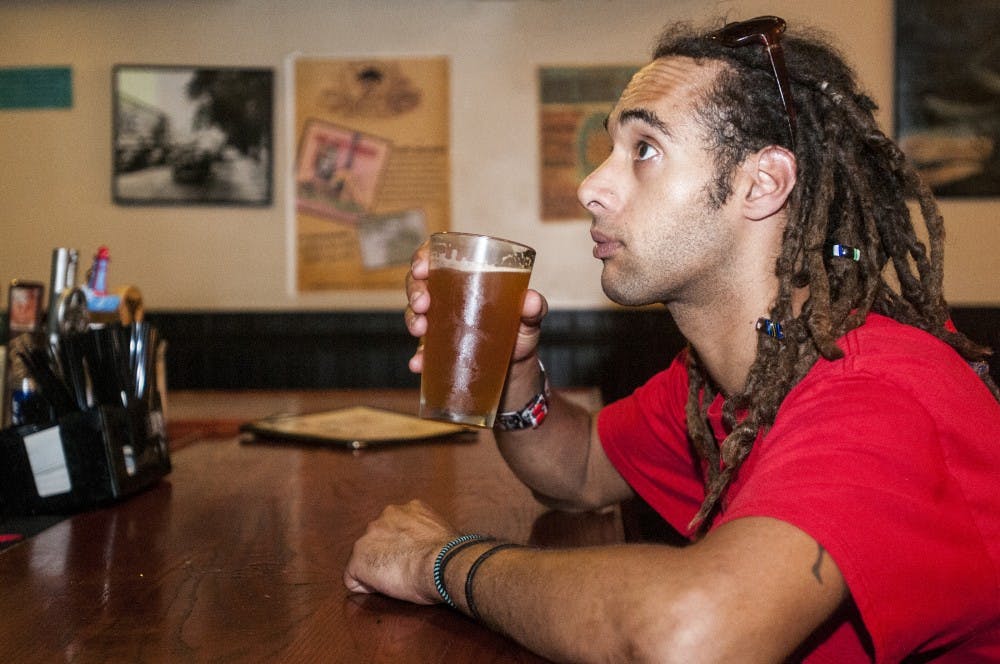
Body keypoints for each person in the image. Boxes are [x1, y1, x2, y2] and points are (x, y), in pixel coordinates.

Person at [344, 15, 1000, 663]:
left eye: (645, 150)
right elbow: (577, 470)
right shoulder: (732, 375)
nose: (592, 186)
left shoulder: (876, 395)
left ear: (761, 183)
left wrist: (438, 563)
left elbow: (691, 636)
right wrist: (514, 374)